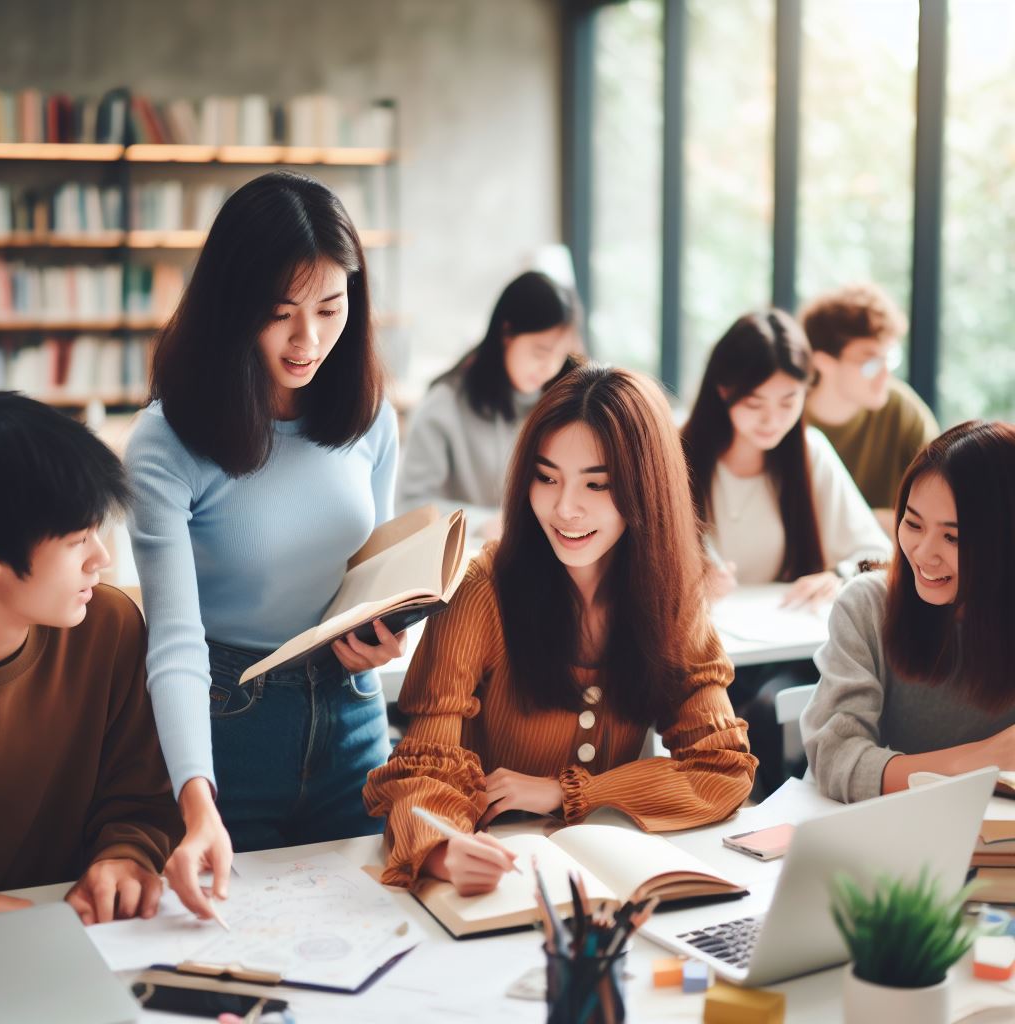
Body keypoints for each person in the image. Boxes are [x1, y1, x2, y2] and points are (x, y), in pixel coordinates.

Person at [364, 363, 756, 895]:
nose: (565, 508)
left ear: (648, 488)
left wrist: (567, 792)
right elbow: (421, 769)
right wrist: (441, 853)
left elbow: (721, 770)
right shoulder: (484, 589)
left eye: (598, 484)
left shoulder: (673, 594)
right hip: (496, 869)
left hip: (606, 877)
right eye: (546, 478)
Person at [125, 172, 401, 921]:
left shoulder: (370, 417)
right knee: (235, 955)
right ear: (233, 308)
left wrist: (382, 637)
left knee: (378, 942)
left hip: (352, 720)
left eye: (330, 308)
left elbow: (370, 580)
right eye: (280, 314)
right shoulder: (167, 439)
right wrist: (196, 800)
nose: (308, 339)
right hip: (225, 731)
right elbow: (174, 641)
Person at [681, 309, 891, 796]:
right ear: (725, 390)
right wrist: (685, 575)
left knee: (770, 707)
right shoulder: (678, 454)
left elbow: (877, 553)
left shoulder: (809, 453)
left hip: (784, 647)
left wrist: (839, 571)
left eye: (789, 401)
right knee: (720, 717)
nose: (773, 419)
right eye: (756, 403)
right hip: (702, 649)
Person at [0, 393, 182, 920]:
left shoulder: (108, 627)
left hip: (78, 932)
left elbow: (139, 795)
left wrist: (125, 856)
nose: (102, 559)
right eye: (79, 540)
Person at [802, 420, 1015, 802]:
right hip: (882, 837)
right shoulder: (867, 606)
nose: (923, 553)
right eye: (913, 523)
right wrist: (985, 759)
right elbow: (835, 759)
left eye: (953, 537)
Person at [396, 270, 581, 539]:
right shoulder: (444, 404)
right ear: (507, 333)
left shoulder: (568, 401)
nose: (550, 367)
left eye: (560, 355)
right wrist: (484, 524)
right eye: (540, 352)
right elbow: (409, 505)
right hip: (472, 559)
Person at [801, 283, 939, 533]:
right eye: (870, 362)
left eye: (889, 358)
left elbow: (943, 506)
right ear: (823, 362)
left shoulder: (903, 410)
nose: (885, 373)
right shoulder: (784, 416)